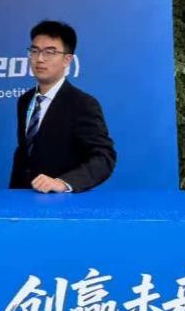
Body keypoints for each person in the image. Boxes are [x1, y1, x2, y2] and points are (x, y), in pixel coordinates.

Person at [10, 20, 116, 194]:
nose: (40, 59)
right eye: (34, 51)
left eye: (49, 52)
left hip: (60, 202)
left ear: (67, 59)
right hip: (22, 198)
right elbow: (25, 153)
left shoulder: (83, 104)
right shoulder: (25, 100)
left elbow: (103, 157)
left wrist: (63, 183)